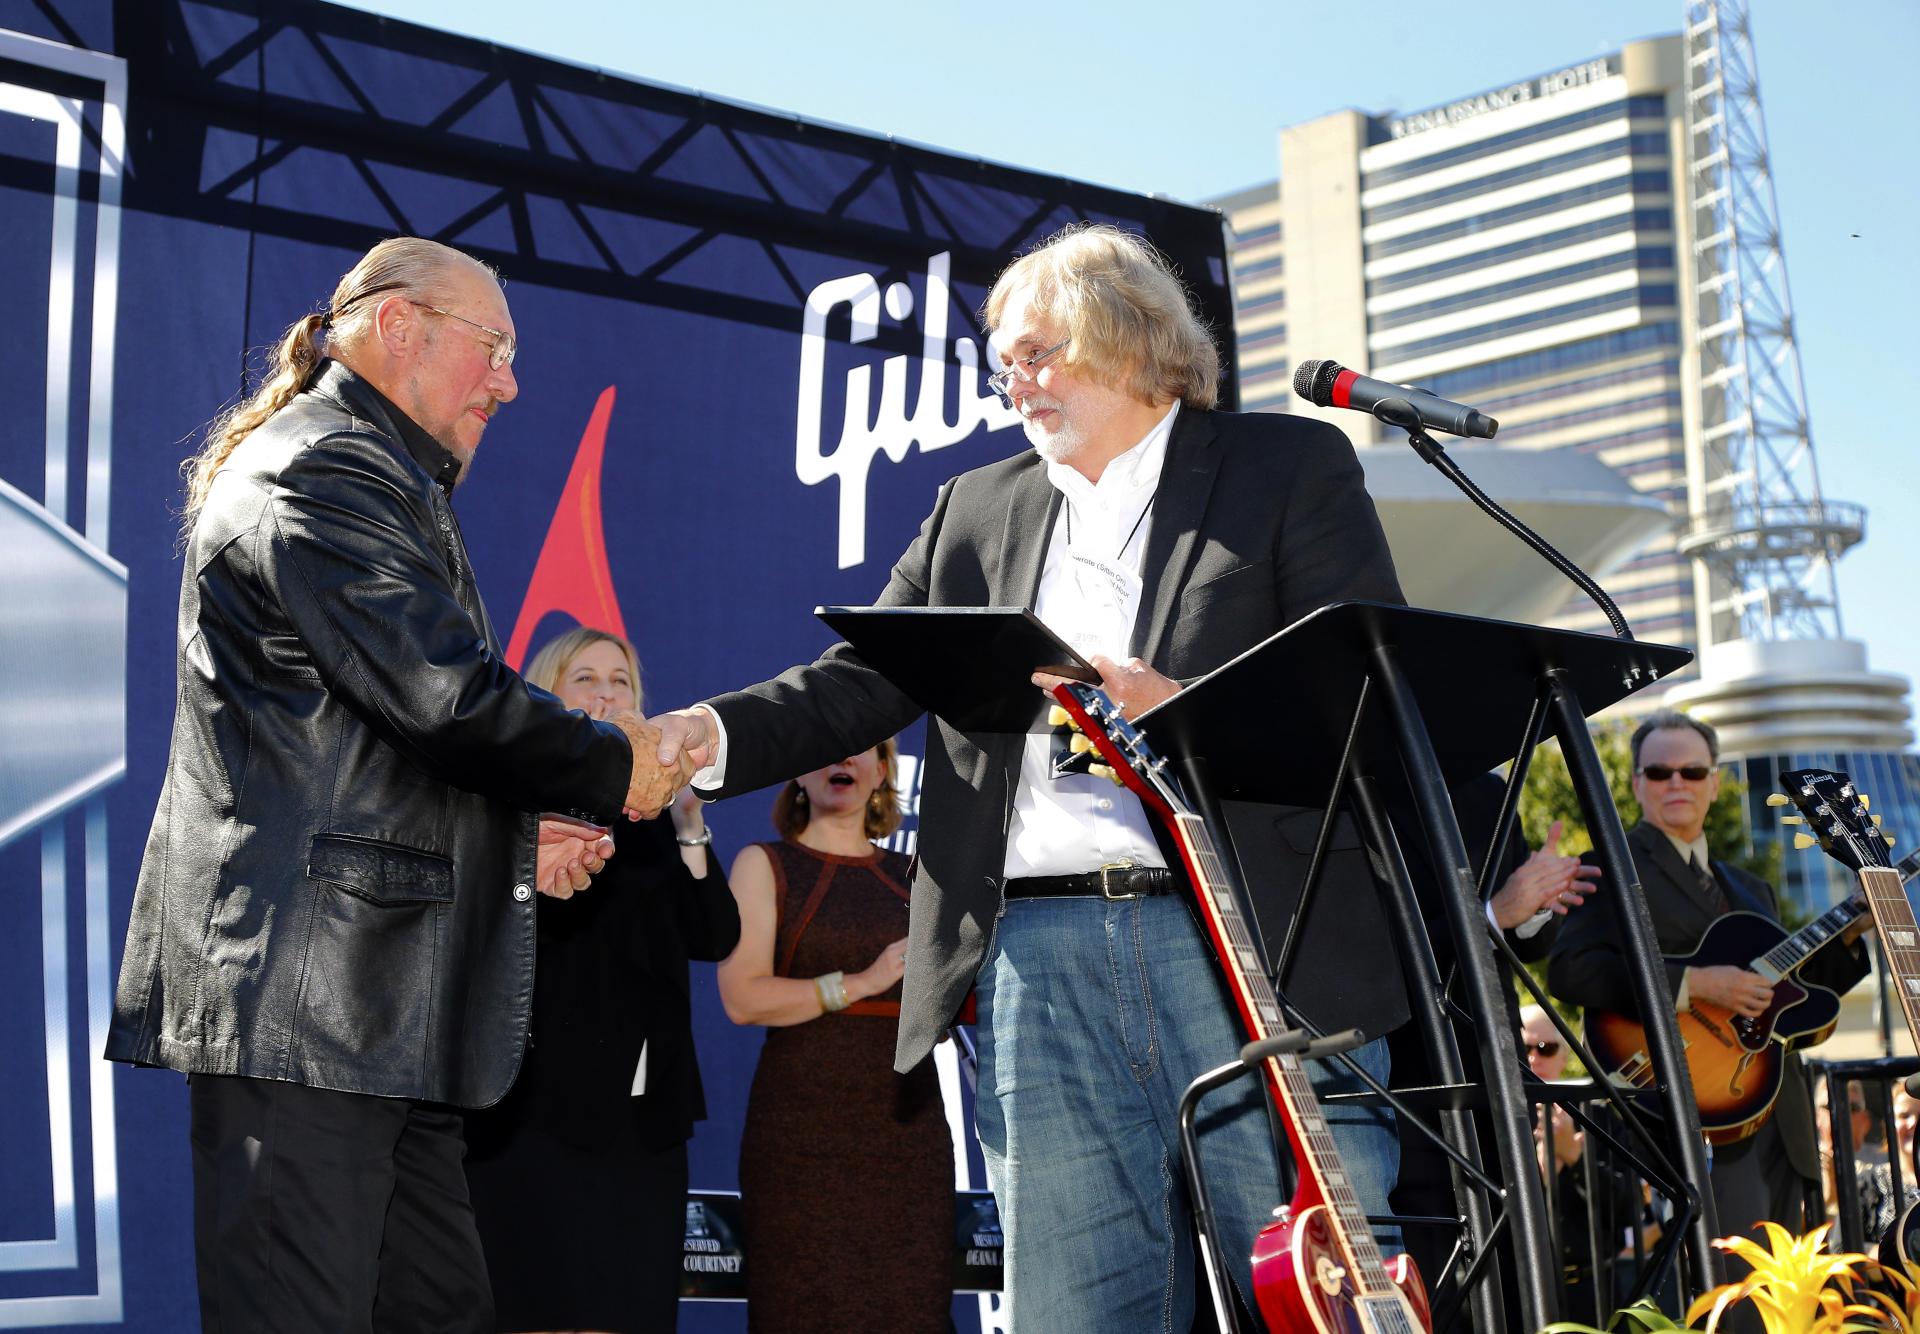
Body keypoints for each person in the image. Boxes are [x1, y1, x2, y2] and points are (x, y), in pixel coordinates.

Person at [654, 222, 1411, 1328]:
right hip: (1033, 963)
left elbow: (1362, 698)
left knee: (1313, 1300)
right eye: (1003, 359)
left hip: (1248, 947)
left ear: (1135, 339)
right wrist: (699, 736)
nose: (1016, 379)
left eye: (1039, 351)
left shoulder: (1284, 469)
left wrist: (1188, 711)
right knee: (1070, 1311)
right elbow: (863, 678)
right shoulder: (979, 507)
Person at [105, 238, 681, 1334]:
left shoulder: (380, 474)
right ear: (398, 325)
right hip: (304, 1009)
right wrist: (615, 762)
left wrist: (522, 834)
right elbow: (444, 694)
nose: (509, 383)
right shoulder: (320, 466)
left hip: (376, 1017)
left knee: (441, 1308)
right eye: (495, 348)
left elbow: (376, 751)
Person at [465, 627, 741, 1332]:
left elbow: (715, 937)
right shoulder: (511, 803)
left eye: (620, 680)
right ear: (544, 696)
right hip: (536, 1114)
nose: (607, 691)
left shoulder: (651, 817)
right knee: (544, 1308)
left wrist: (689, 828)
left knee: (632, 1309)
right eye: (585, 678)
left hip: (643, 1125)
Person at [1548, 710, 1870, 1255]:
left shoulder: (1750, 888)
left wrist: (1851, 931)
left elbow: (1798, 995)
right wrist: (1693, 983)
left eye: (1693, 772)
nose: (1677, 782)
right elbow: (1570, 970)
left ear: (1715, 783)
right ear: (1635, 784)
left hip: (1780, 1116)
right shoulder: (1607, 866)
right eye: (1659, 772)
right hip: (1691, 1117)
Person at [716, 740, 952, 1330]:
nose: (840, 762)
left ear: (881, 774)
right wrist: (863, 982)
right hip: (799, 1135)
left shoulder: (918, 877)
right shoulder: (763, 863)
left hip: (907, 1132)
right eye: (825, 750)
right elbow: (742, 998)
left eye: (860, 752)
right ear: (798, 773)